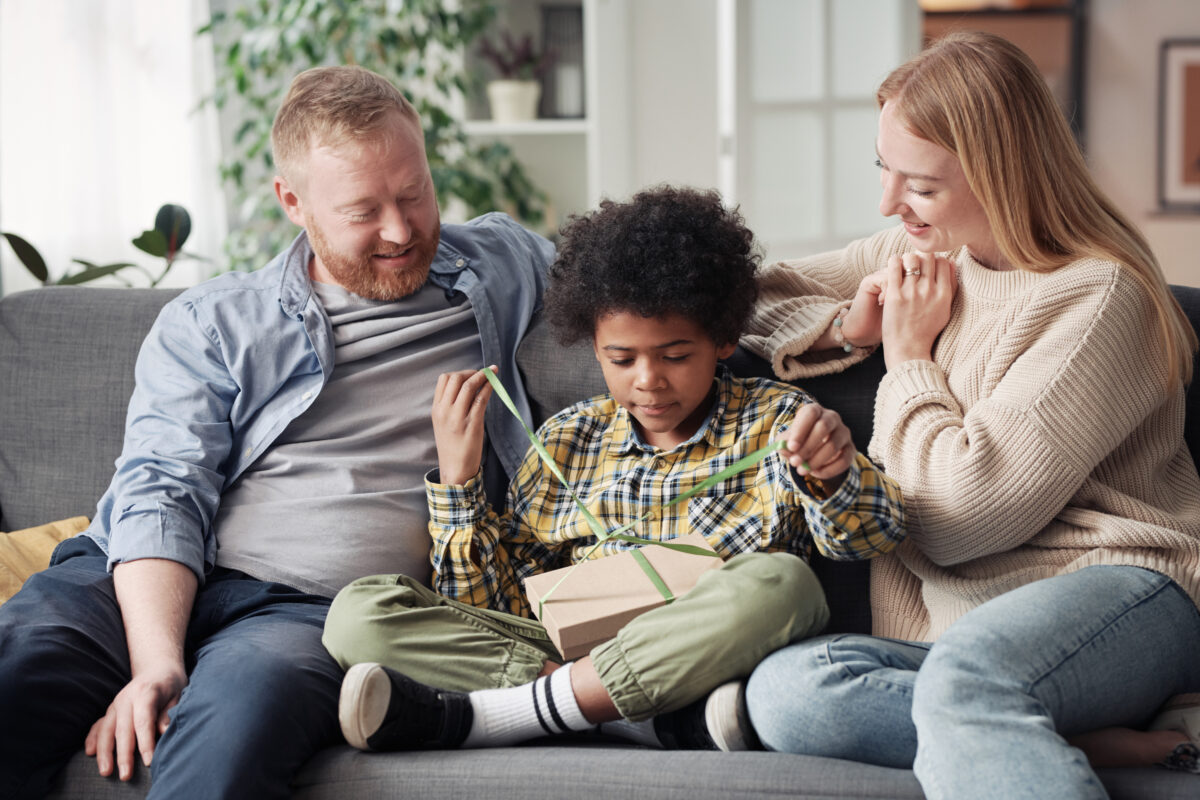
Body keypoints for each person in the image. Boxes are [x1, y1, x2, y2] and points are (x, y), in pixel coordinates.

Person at [0, 65, 554, 800]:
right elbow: (162, 493)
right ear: (292, 201)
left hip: (309, 614)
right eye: (363, 211)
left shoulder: (502, 264)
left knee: (225, 750)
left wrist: (766, 336)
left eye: (415, 194)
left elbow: (668, 281)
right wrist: (157, 662)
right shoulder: (214, 322)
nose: (400, 230)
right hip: (122, 583)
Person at [736, 31, 1200, 798]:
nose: (889, 203)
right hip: (959, 633)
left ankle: (994, 711)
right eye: (883, 169)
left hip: (1124, 589)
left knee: (969, 680)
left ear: (1000, 174)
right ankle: (1058, 735)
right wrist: (848, 326)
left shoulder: (1097, 299)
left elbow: (957, 520)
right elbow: (749, 297)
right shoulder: (925, 252)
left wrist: (908, 352)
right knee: (787, 692)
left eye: (919, 185)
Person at [320, 185, 906, 752]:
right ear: (593, 345)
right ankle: (627, 718)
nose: (648, 380)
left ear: (723, 340)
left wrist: (833, 474)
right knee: (357, 614)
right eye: (621, 359)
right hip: (568, 652)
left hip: (703, 652)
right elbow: (496, 608)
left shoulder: (778, 421)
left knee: (785, 584)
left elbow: (872, 537)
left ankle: (524, 712)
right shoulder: (569, 441)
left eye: (675, 356)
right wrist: (458, 480)